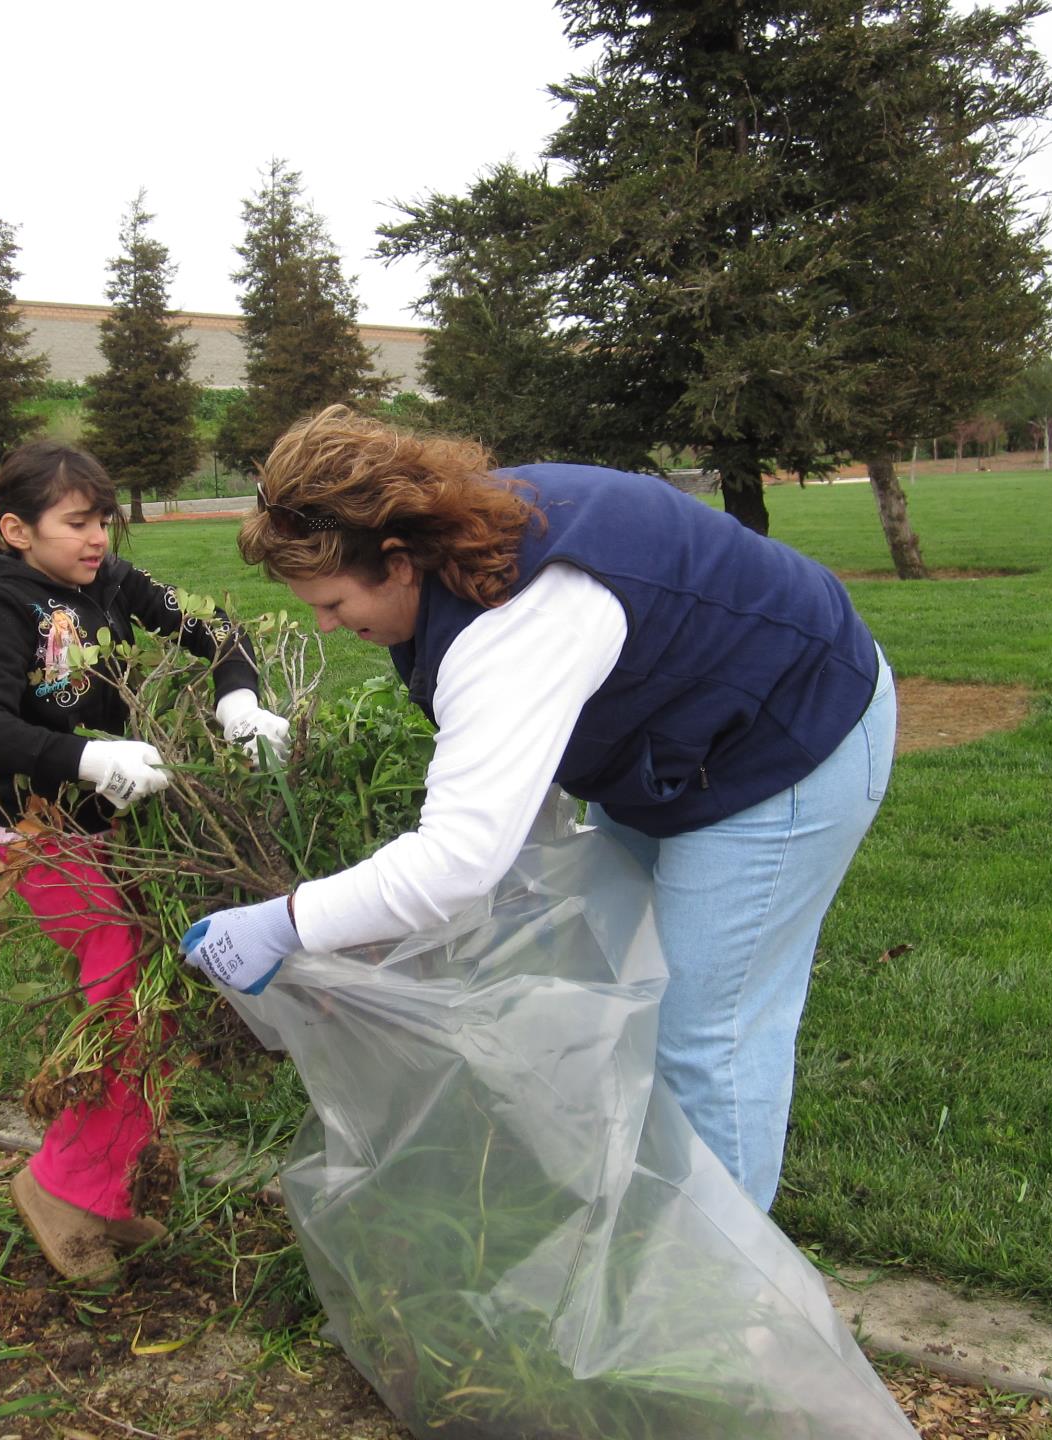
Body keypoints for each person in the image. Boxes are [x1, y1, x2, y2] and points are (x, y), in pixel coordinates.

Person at [181, 407, 896, 1212]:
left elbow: (456, 864)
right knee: (615, 979)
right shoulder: (449, 549)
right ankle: (642, 1217)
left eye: (334, 601)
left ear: (396, 559)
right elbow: (507, 813)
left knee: (708, 1034)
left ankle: (712, 1302)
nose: (324, 622)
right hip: (675, 740)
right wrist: (373, 939)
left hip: (789, 736)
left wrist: (285, 923)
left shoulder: (521, 616)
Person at [0, 439, 289, 1280]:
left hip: (118, 837)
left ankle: (98, 1187)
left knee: (159, 996)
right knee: (131, 989)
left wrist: (239, 697)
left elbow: (216, 630)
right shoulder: (5, 607)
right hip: (44, 837)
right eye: (77, 522)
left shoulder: (112, 585)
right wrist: (85, 758)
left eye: (103, 518)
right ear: (18, 530)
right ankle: (62, 1185)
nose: (98, 535)